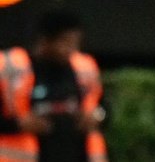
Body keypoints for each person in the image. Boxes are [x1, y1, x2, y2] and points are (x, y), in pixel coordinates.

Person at [0, 9, 108, 162]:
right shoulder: (12, 69)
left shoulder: (83, 69)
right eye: (65, 42)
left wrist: (98, 116)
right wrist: (18, 125)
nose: (71, 49)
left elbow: (104, 109)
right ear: (45, 41)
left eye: (75, 43)